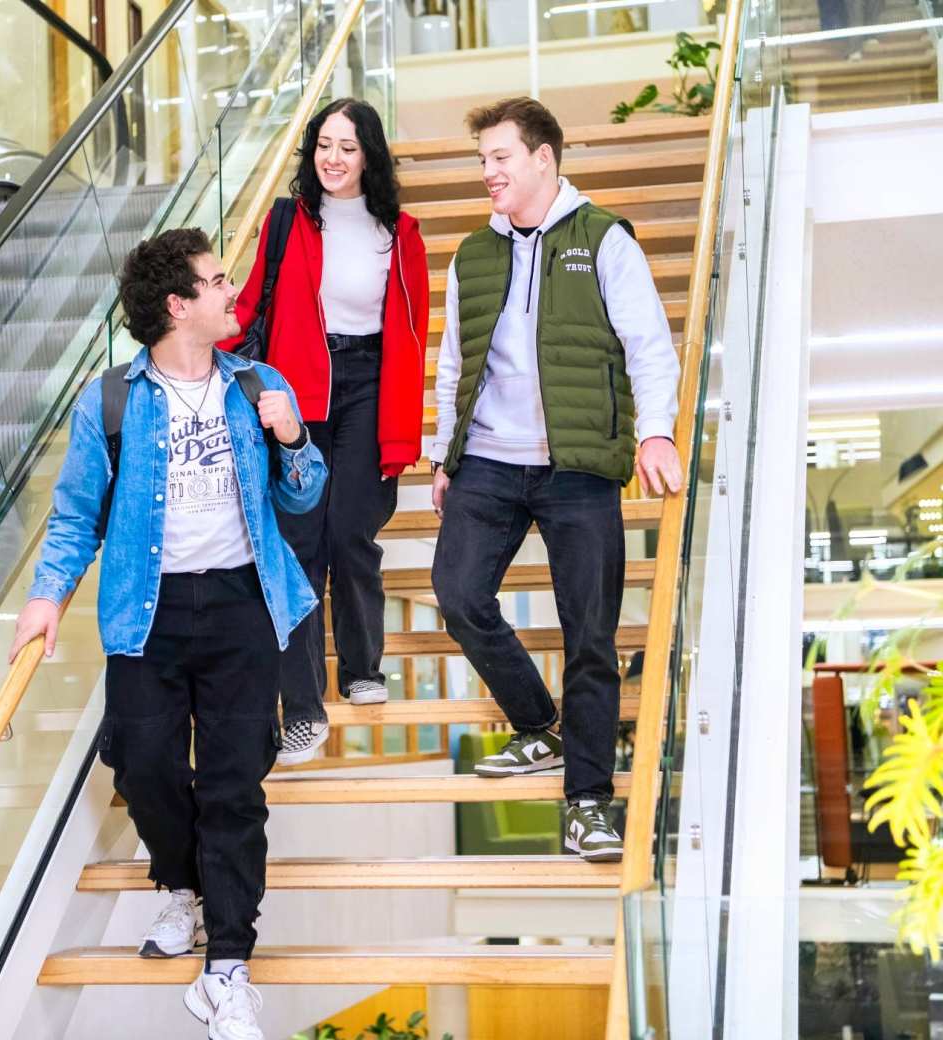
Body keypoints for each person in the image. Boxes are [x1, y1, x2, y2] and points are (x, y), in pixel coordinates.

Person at [9, 228, 326, 1040]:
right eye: (218, 282)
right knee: (144, 765)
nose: (233, 293)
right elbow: (79, 513)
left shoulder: (257, 384)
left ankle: (228, 967)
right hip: (144, 612)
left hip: (241, 606)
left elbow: (303, 497)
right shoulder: (110, 400)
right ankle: (180, 888)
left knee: (231, 785)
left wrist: (291, 437)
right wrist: (47, 596)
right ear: (178, 305)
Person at [429, 97, 682, 864]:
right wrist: (444, 454)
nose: (488, 173)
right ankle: (540, 727)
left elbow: (648, 345)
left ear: (544, 157)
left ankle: (588, 802)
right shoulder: (473, 255)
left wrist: (656, 432)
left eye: (500, 157)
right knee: (459, 596)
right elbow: (451, 364)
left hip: (578, 465)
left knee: (591, 638)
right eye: (482, 160)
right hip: (489, 461)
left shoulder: (604, 240)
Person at [219, 97, 429, 767]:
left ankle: (363, 665)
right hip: (297, 391)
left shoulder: (402, 232)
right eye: (323, 146)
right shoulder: (288, 221)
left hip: (370, 382)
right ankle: (303, 710)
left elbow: (415, 333)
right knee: (298, 545)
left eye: (348, 146)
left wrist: (404, 429)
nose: (333, 159)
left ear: (370, 154)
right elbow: (251, 302)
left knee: (349, 532)